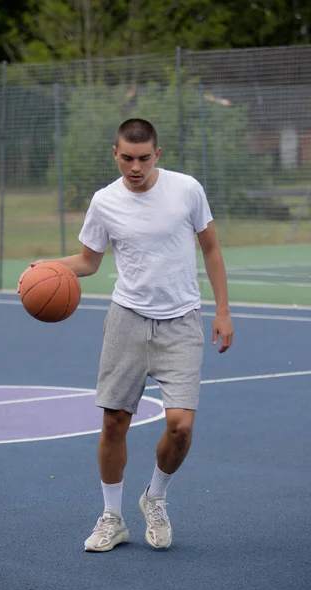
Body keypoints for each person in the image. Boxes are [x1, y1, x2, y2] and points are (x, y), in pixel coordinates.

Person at [18, 118, 233, 552]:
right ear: (115, 154)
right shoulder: (104, 202)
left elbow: (210, 247)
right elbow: (88, 260)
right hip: (127, 318)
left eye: (144, 158)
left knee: (180, 429)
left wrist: (223, 310)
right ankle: (112, 517)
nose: (136, 167)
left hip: (181, 320)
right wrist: (47, 269)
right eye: (127, 158)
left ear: (158, 155)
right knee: (114, 422)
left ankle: (154, 497)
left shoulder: (186, 189)